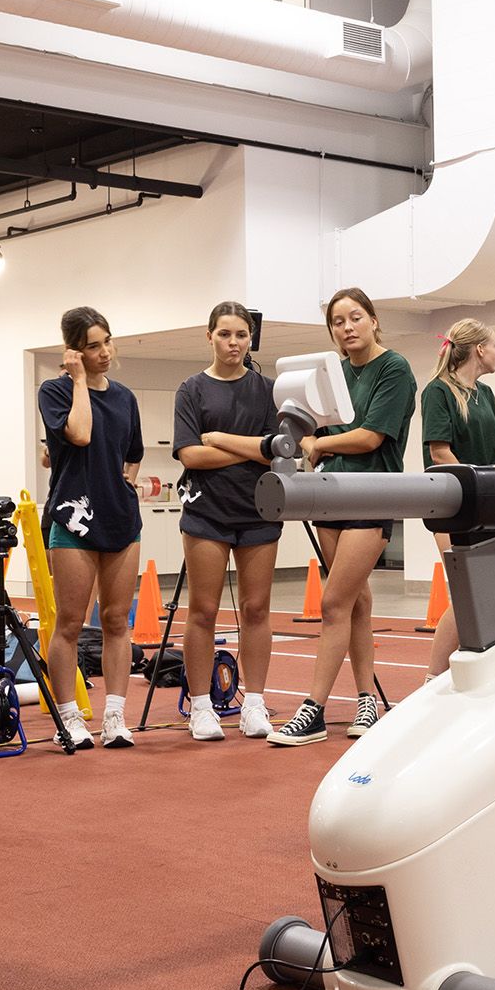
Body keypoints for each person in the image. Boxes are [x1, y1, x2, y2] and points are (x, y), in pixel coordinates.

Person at [271, 288, 415, 747]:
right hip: (332, 496)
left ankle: (312, 709)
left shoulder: (393, 368)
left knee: (334, 604)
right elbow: (315, 423)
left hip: (372, 495)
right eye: (338, 321)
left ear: (374, 320)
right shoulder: (331, 374)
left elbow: (371, 437)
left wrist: (318, 444)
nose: (347, 327)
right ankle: (366, 700)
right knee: (357, 602)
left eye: (355, 317)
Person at [171, 301, 279, 742]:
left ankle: (254, 703)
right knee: (204, 610)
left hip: (258, 512)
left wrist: (224, 440)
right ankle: (201, 706)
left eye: (241, 335)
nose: (233, 343)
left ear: (251, 338)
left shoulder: (270, 389)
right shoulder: (191, 390)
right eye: (225, 334)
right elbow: (191, 454)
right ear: (209, 335)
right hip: (206, 513)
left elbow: (278, 449)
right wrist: (251, 447)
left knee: (256, 609)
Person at [41, 307, 145, 749]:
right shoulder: (55, 390)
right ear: (74, 353)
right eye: (92, 347)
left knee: (117, 620)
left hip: (120, 517)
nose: (104, 353)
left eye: (107, 342)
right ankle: (69, 717)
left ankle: (115, 716)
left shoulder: (125, 397)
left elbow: (133, 451)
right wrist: (79, 381)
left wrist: (126, 481)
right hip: (73, 516)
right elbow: (80, 434)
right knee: (69, 621)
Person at [422, 319, 495, 677]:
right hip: (454, 504)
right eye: (494, 346)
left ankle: (480, 670)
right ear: (479, 350)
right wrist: (478, 491)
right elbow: (440, 452)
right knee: (465, 591)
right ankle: (432, 677)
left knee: (493, 591)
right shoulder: (438, 391)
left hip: (489, 501)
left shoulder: (485, 394)